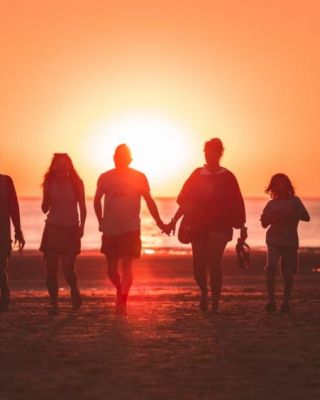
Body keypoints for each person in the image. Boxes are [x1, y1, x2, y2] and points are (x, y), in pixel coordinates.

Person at [166, 138, 247, 313]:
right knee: (198, 265)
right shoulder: (197, 174)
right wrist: (174, 220)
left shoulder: (228, 177)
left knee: (214, 262)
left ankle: (215, 302)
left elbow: (237, 203)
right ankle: (204, 292)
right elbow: (185, 202)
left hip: (221, 225)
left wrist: (242, 227)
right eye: (207, 152)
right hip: (197, 224)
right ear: (205, 153)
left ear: (220, 153)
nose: (210, 155)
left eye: (214, 152)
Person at [94, 144, 166, 316]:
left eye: (123, 156)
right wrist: (100, 221)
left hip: (130, 228)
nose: (120, 159)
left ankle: (123, 300)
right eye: (117, 156)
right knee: (111, 272)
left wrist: (159, 222)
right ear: (114, 158)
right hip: (110, 229)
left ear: (129, 159)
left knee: (127, 266)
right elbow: (96, 200)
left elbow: (149, 200)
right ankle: (120, 289)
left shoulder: (139, 177)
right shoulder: (105, 177)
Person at [39, 153, 86, 315]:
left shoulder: (77, 183)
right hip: (52, 228)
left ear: (69, 166)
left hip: (71, 229)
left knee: (67, 268)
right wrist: (47, 193)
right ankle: (54, 304)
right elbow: (44, 208)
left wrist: (82, 227)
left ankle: (73, 288)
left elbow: (83, 206)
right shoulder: (49, 183)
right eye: (57, 165)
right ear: (53, 167)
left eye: (64, 164)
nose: (61, 168)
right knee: (51, 270)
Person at [261, 173, 310, 313]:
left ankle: (286, 303)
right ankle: (271, 301)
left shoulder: (295, 201)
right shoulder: (271, 204)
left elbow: (306, 217)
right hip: (273, 240)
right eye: (276, 184)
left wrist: (291, 215)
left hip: (290, 241)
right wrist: (270, 218)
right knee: (271, 268)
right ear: (272, 188)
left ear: (288, 185)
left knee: (287, 274)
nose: (280, 186)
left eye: (282, 183)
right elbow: (264, 223)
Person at [0, 174, 25, 312]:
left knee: (1, 267)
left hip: (2, 233)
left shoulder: (6, 181)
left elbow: (13, 207)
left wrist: (18, 230)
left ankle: (4, 298)